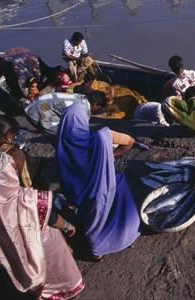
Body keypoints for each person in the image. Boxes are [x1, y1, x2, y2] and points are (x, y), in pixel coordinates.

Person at [0, 115, 85, 298]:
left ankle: (35, 288)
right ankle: (59, 291)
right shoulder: (23, 194)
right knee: (52, 256)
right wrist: (67, 226)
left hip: (7, 230)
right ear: (9, 135)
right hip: (31, 228)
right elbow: (45, 213)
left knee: (23, 259)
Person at [55, 103, 140, 261]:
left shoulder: (62, 147)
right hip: (106, 186)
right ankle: (125, 235)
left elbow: (65, 177)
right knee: (121, 186)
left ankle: (97, 253)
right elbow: (129, 141)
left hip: (78, 195)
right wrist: (113, 155)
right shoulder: (102, 136)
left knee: (92, 221)